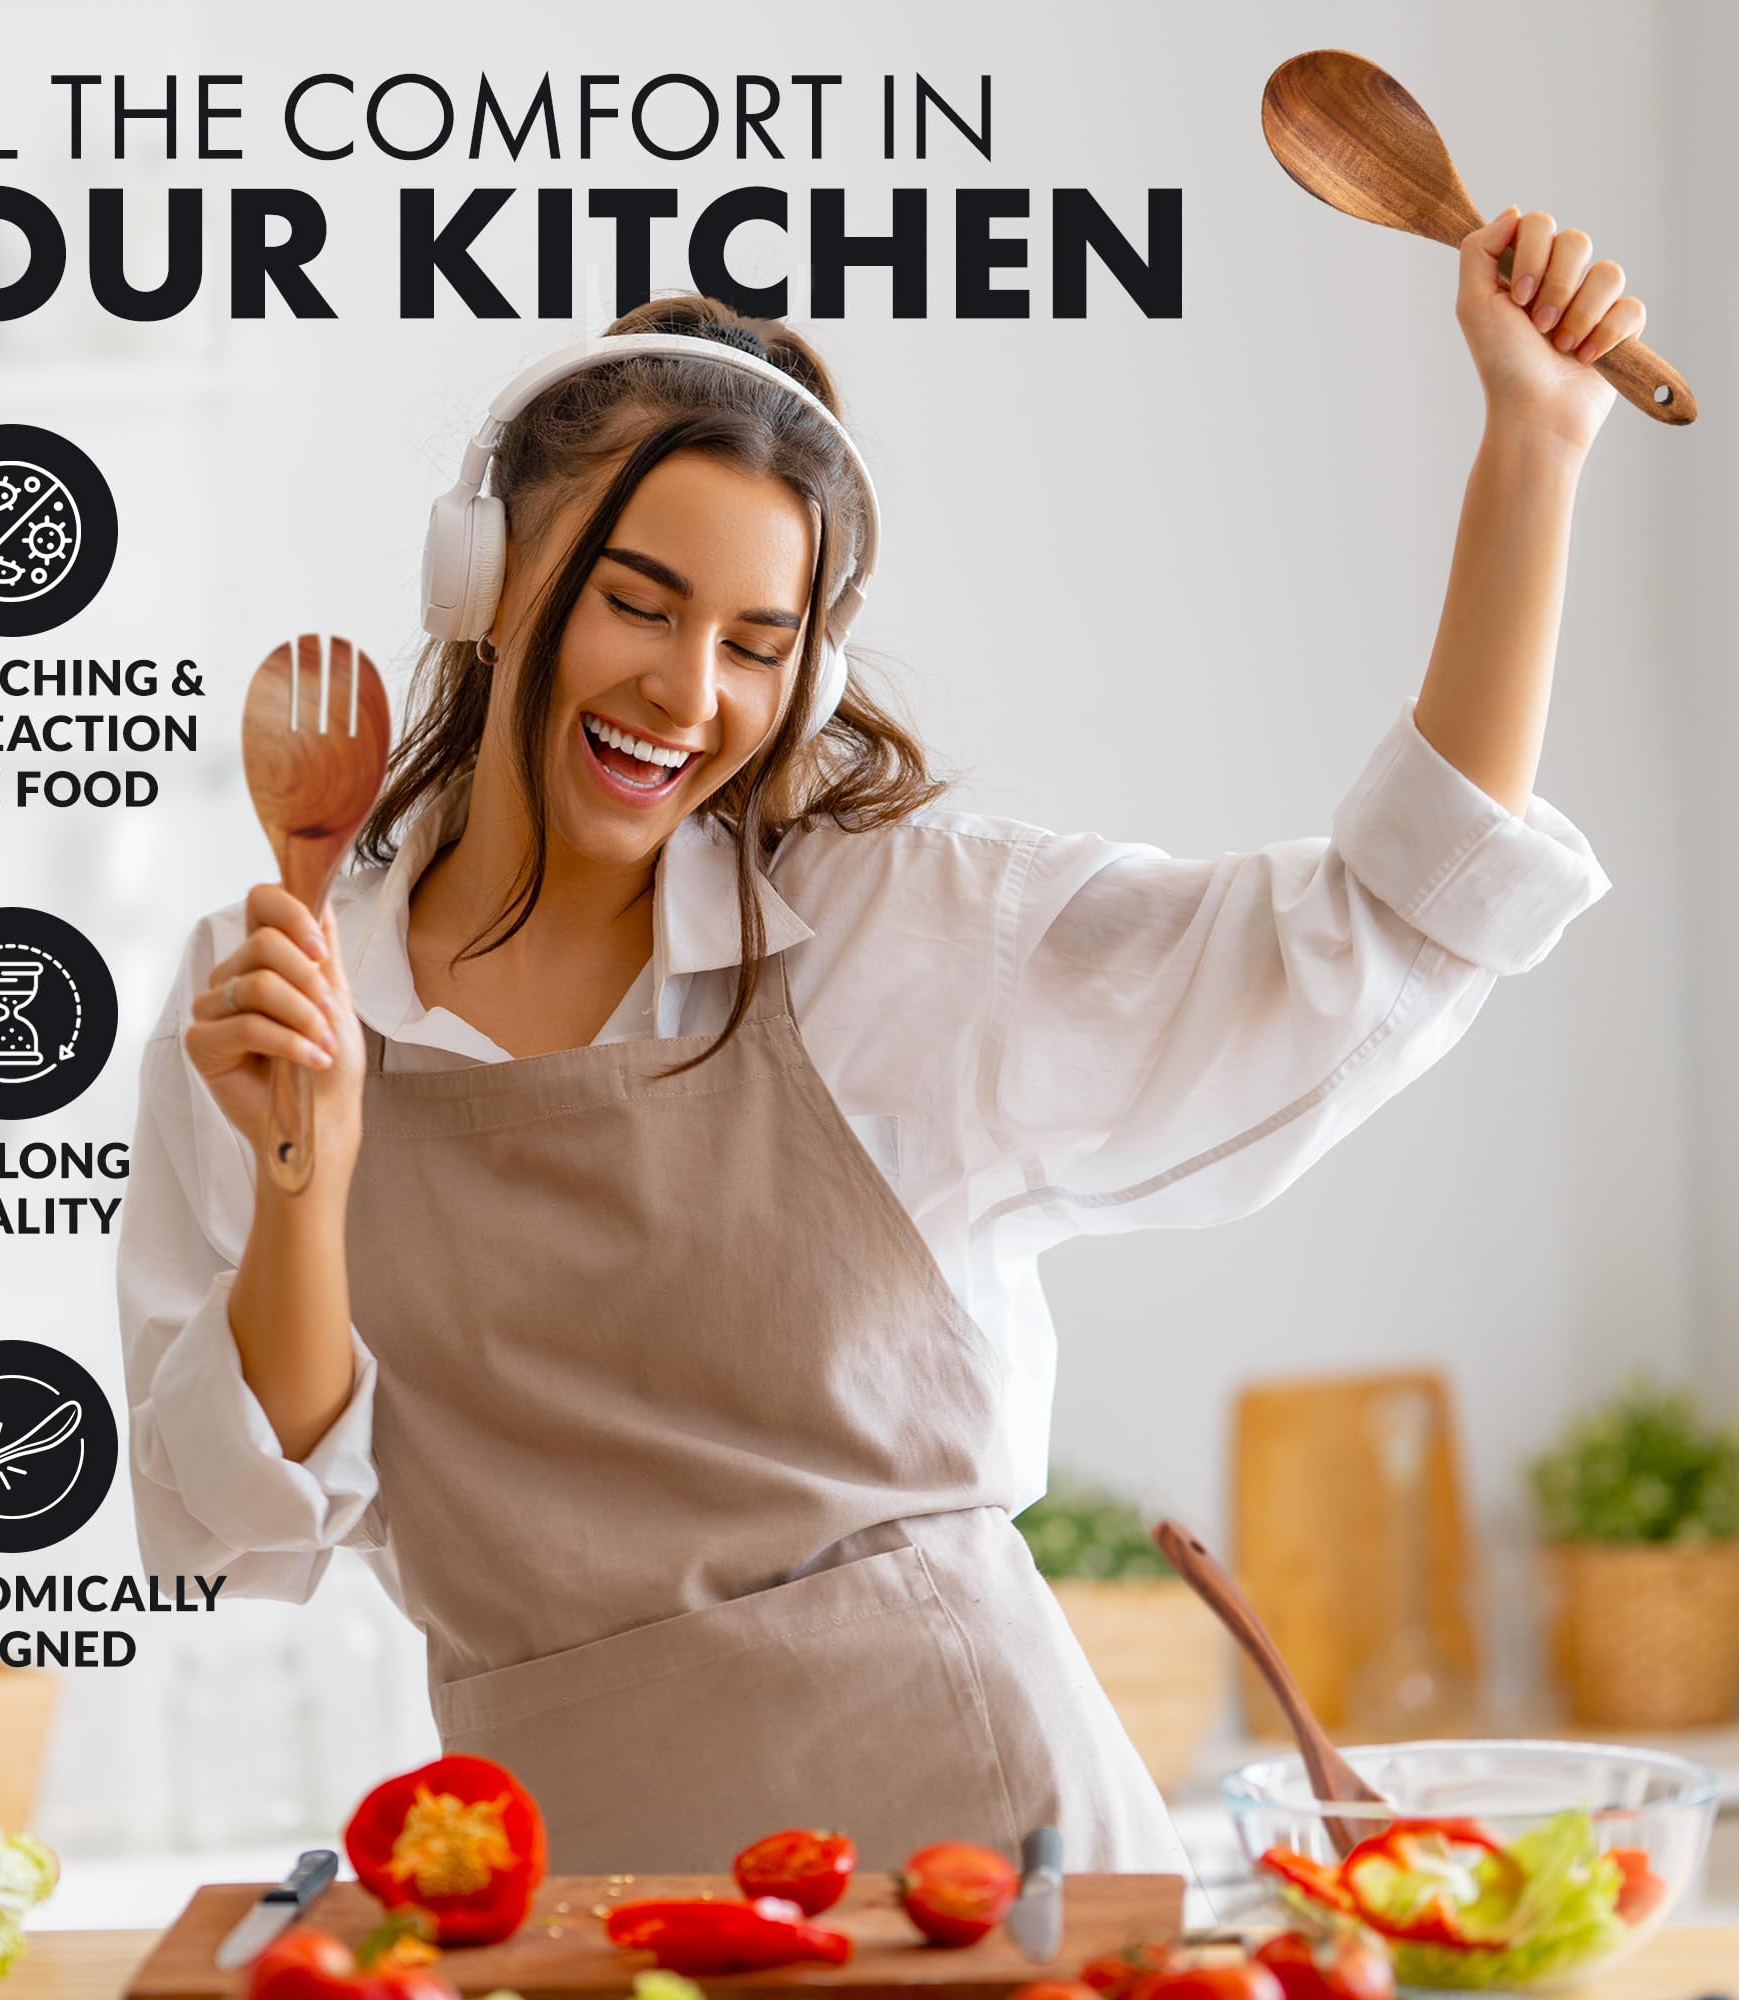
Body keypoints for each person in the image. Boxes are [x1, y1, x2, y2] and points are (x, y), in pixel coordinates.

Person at [118, 205, 1627, 1874]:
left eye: (758, 646)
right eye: (639, 603)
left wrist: (1535, 445)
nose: (690, 694)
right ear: (482, 575)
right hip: (578, 1899)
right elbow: (239, 1531)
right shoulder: (269, 991)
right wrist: (302, 1178)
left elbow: (1368, 937)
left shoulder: (897, 938)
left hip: (996, 1863)